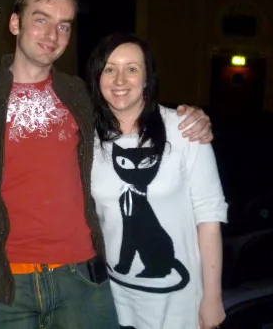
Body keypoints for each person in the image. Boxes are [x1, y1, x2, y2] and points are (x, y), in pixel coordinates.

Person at [0, 0, 213, 329]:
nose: (52, 35)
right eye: (41, 19)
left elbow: (132, 113)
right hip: (3, 285)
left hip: (83, 280)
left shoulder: (80, 94)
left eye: (63, 25)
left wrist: (190, 118)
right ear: (15, 23)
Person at [87, 33, 227, 329]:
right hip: (115, 296)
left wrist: (212, 298)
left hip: (178, 301)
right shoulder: (89, 141)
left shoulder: (184, 129)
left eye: (132, 68)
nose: (120, 79)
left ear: (147, 77)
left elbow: (209, 217)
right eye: (109, 69)